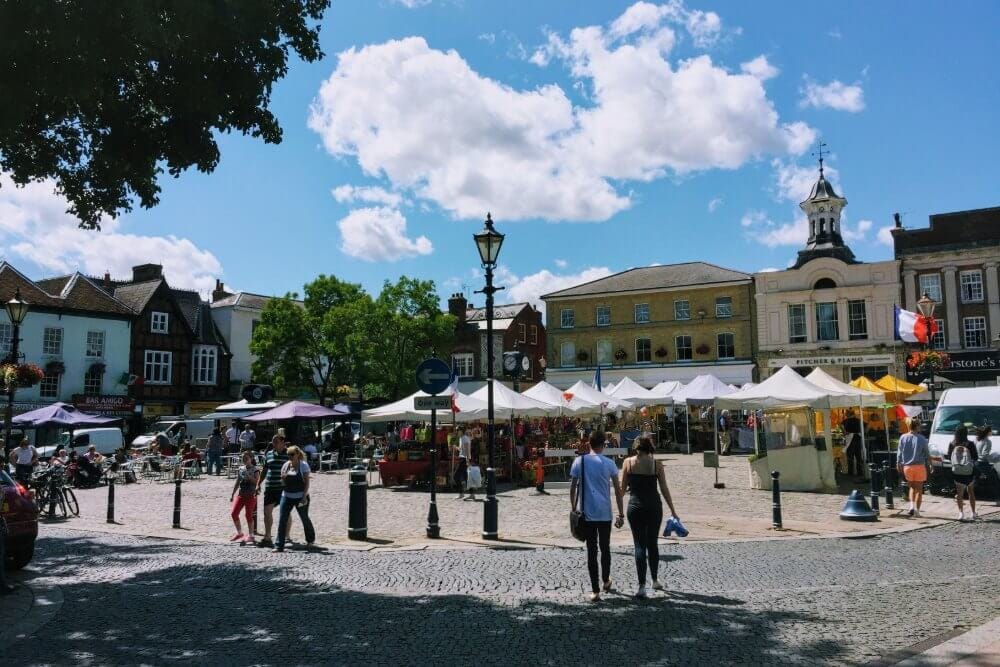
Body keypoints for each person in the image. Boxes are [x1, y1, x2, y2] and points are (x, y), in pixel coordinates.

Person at [570, 431, 625, 603]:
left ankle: (595, 590)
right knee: (605, 548)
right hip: (605, 513)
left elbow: (572, 488)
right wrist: (621, 513)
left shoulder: (580, 461)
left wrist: (573, 508)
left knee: (591, 551)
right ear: (603, 445)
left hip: (587, 513)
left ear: (589, 444)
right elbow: (617, 490)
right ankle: (606, 580)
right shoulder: (609, 464)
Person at [621, 437, 679, 598]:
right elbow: (664, 488)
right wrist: (673, 510)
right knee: (652, 543)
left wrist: (619, 511)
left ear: (635, 447)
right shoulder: (656, 464)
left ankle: (641, 587)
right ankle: (654, 579)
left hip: (635, 507)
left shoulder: (628, 463)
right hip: (654, 506)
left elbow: (622, 488)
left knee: (639, 545)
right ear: (650, 448)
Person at [274, 446, 316, 552]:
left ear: (297, 454)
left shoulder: (303, 465)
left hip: (300, 496)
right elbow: (282, 483)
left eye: (292, 454)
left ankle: (310, 540)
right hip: (287, 496)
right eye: (288, 455)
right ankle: (279, 545)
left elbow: (306, 482)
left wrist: (304, 497)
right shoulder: (285, 466)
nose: (290, 457)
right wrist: (282, 480)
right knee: (282, 519)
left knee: (304, 518)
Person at [255, 435, 289, 548]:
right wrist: (258, 484)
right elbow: (264, 470)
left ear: (283, 442)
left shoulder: (289, 454)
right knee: (267, 512)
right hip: (270, 487)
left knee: (285, 512)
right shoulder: (269, 454)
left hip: (284, 488)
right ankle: (268, 537)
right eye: (273, 442)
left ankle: (286, 536)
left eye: (276, 442)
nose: (274, 444)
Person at [896, 417, 931, 518]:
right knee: (919, 490)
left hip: (907, 466)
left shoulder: (903, 437)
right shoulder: (922, 438)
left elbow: (900, 452)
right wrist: (930, 464)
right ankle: (917, 511)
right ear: (917, 426)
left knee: (911, 487)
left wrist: (898, 463)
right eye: (920, 425)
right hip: (919, 466)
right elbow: (927, 453)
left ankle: (911, 506)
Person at [948, 426, 979, 521]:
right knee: (971, 492)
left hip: (957, 472)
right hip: (969, 472)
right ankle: (973, 513)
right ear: (966, 433)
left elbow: (950, 456)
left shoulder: (952, 444)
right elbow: (975, 457)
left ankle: (961, 513)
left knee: (959, 494)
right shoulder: (970, 444)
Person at [230, 451, 259, 544]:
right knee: (234, 513)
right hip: (241, 495)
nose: (244, 460)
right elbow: (238, 482)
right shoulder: (241, 468)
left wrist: (249, 477)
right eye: (243, 458)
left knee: (248, 515)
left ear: (251, 458)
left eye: (246, 458)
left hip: (251, 495)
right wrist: (232, 493)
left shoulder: (255, 470)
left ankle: (251, 535)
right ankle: (240, 533)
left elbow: (257, 482)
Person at [842, 409, 864, 477]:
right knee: (858, 456)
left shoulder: (845, 421)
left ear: (848, 414)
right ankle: (860, 472)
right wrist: (863, 432)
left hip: (850, 439)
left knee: (850, 456)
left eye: (846, 414)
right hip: (858, 438)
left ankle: (850, 472)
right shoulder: (859, 420)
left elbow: (842, 428)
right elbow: (867, 425)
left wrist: (844, 432)